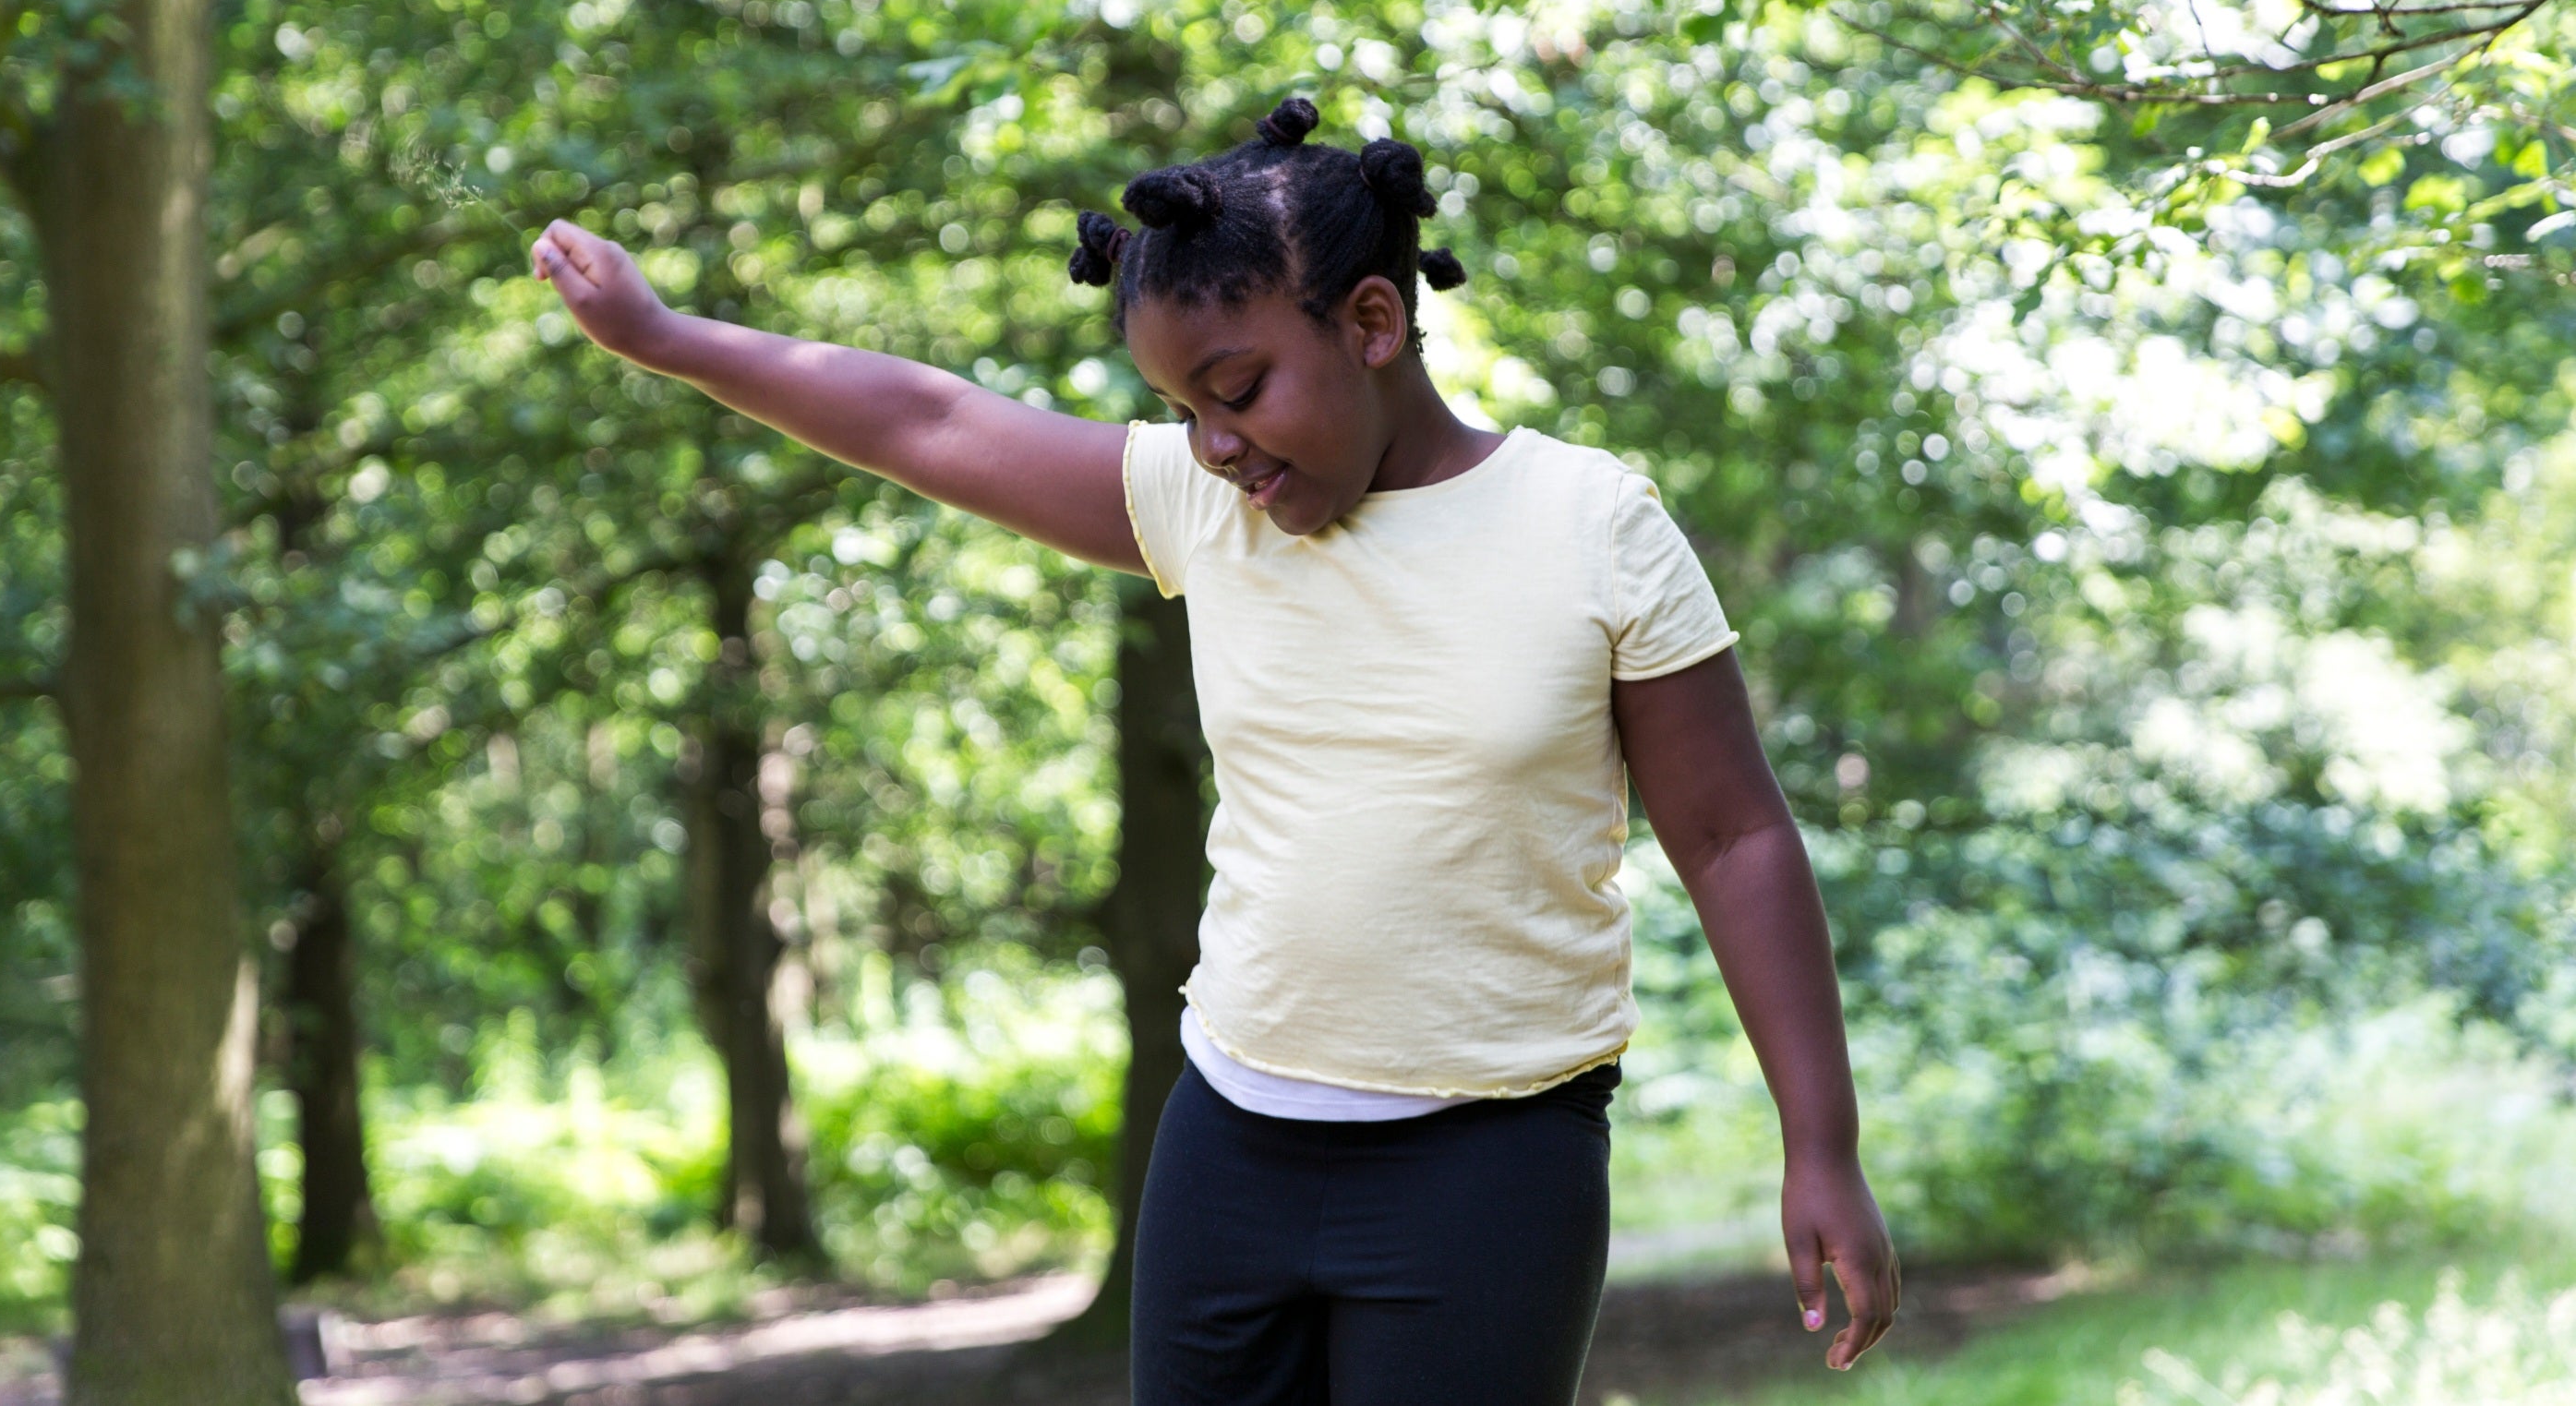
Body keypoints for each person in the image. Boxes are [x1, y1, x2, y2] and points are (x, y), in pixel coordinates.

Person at [532, 94, 1897, 1404]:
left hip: (1492, 1164)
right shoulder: (1199, 508)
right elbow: (927, 420)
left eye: (1236, 391)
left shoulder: (1590, 524)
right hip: (1229, 1147)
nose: (1214, 444)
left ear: (1373, 323)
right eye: (1184, 408)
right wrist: (664, 337)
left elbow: (1732, 837)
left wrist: (1818, 1142)